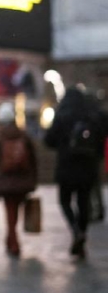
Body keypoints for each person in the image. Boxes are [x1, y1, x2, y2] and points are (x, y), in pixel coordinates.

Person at [44, 86, 107, 258]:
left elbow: (49, 140)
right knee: (83, 202)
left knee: (64, 201)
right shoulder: (92, 115)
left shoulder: (63, 114)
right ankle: (82, 234)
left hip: (66, 166)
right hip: (88, 167)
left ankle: (75, 230)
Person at [0, 102, 38, 256]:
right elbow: (33, 159)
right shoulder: (24, 135)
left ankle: (14, 244)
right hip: (23, 180)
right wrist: (34, 180)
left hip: (5, 181)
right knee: (14, 211)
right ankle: (10, 240)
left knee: (10, 211)